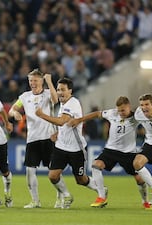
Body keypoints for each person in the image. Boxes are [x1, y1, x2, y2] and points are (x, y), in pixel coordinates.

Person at [68, 96, 151, 209]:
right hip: (111, 150)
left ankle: (145, 201)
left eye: (123, 110)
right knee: (96, 165)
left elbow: (149, 113)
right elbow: (97, 114)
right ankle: (102, 196)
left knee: (139, 179)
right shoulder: (112, 113)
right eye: (119, 110)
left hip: (128, 153)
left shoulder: (135, 116)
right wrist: (79, 120)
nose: (121, 113)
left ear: (129, 107)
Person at [35, 77, 99, 209]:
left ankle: (101, 190)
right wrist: (58, 133)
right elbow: (65, 124)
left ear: (70, 91)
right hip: (61, 147)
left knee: (81, 180)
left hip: (76, 149)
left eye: (63, 90)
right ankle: (67, 195)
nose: (60, 93)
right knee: (53, 176)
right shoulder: (63, 104)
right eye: (58, 90)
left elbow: (61, 121)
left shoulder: (73, 103)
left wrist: (41, 115)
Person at [8, 69, 59, 208]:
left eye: (35, 80)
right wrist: (15, 114)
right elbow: (12, 109)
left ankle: (60, 197)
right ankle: (35, 201)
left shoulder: (48, 94)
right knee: (30, 170)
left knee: (53, 171)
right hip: (32, 138)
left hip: (49, 137)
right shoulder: (24, 96)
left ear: (41, 81)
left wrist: (50, 81)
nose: (32, 83)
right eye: (30, 80)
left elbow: (56, 100)